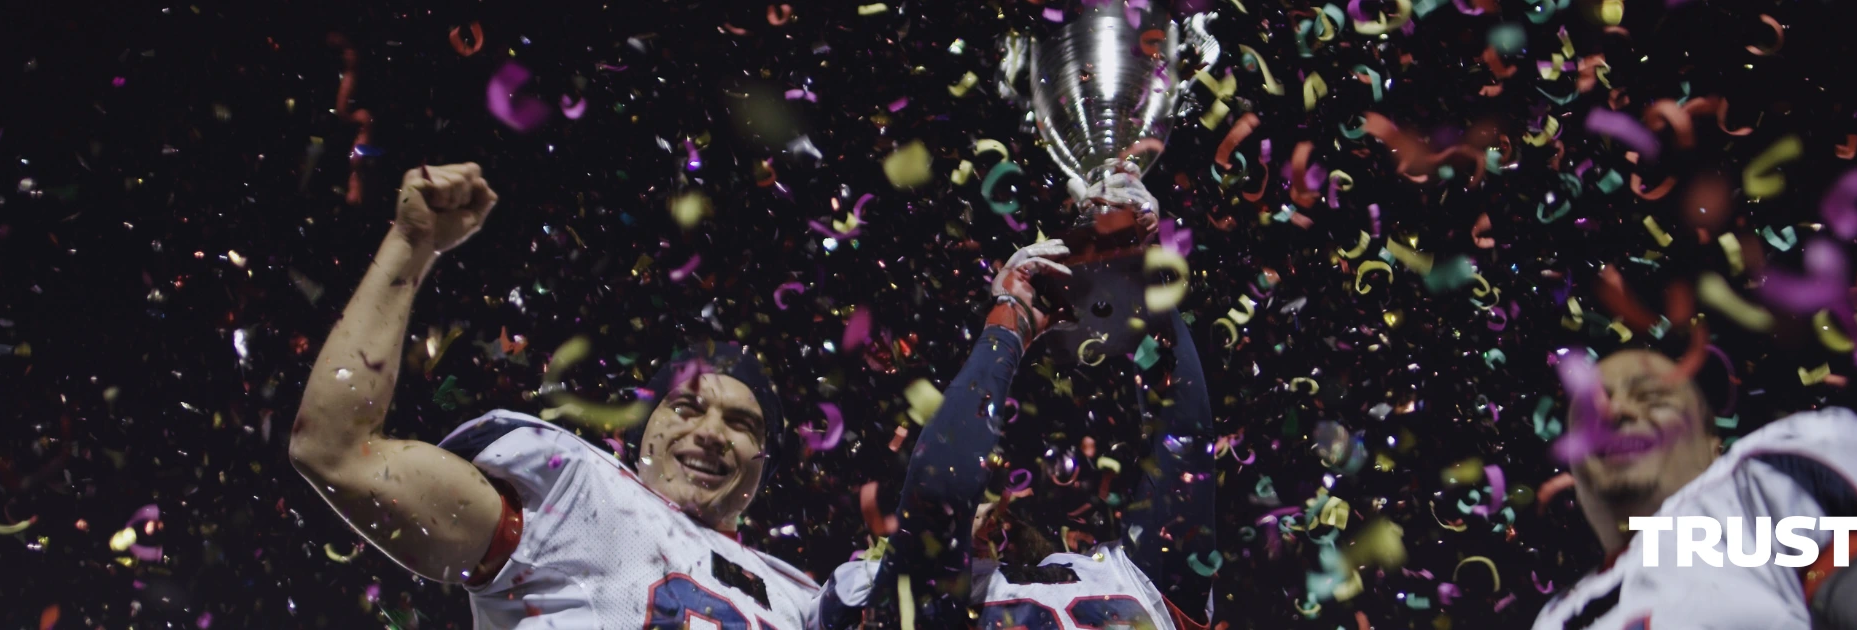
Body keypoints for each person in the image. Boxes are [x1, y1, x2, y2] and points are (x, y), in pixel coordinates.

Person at [288, 163, 820, 628]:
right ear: (642, 431)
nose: (709, 434)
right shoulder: (575, 497)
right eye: (686, 406)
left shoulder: (805, 604)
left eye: (742, 424)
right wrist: (410, 242)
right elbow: (337, 452)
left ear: (765, 462)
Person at [819, 178, 1216, 630]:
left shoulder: (1127, 577)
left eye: (991, 498)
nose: (989, 507)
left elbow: (1184, 439)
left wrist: (1140, 274)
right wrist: (1008, 321)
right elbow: (940, 495)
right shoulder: (890, 593)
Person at [1533, 348, 1857, 630]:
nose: (1617, 413)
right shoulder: (1553, 617)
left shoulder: (1761, 490)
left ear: (1715, 447)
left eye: (1651, 398)